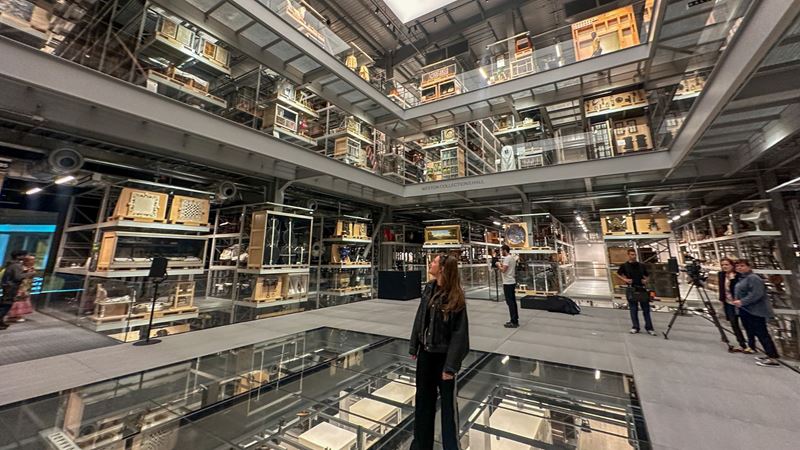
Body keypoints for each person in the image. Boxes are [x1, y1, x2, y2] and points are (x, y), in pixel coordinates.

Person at [409, 253, 469, 450]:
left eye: (434, 261)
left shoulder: (456, 297)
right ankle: (420, 445)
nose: (430, 263)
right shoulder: (428, 289)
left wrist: (450, 366)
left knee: (448, 410)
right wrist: (414, 345)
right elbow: (420, 319)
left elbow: (460, 335)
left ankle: (451, 446)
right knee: (423, 401)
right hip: (426, 354)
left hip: (444, 359)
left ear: (442, 268)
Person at [733, 259, 780, 367]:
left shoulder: (753, 278)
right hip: (748, 310)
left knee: (762, 333)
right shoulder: (743, 278)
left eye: (742, 266)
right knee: (758, 332)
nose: (740, 268)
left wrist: (742, 301)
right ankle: (770, 354)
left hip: (756, 310)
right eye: (738, 266)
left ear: (749, 266)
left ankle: (772, 358)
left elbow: (756, 294)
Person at [617, 249, 654, 335]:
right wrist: (625, 279)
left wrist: (646, 281)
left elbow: (648, 275)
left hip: (642, 289)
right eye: (632, 255)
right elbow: (618, 274)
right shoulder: (624, 266)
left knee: (646, 309)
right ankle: (635, 327)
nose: (634, 256)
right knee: (633, 309)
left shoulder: (641, 266)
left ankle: (649, 327)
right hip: (631, 289)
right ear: (628, 255)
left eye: (634, 255)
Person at [718, 258, 750, 352]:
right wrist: (722, 299)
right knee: (733, 323)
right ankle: (742, 344)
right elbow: (722, 288)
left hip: (740, 303)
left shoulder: (738, 276)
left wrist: (732, 280)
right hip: (728, 303)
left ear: (732, 265)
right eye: (723, 265)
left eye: (727, 264)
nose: (724, 266)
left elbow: (738, 289)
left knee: (746, 323)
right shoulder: (721, 275)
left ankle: (751, 344)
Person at [1, 251, 34, 329]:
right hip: (11, 288)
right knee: (6, 305)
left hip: (8, 287)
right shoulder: (16, 265)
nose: (26, 256)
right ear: (19, 256)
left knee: (5, 305)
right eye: (25, 255)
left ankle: (1, 322)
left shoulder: (11, 264)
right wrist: (30, 274)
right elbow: (18, 277)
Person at [6, 254, 36, 323]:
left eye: (33, 260)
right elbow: (19, 277)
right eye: (31, 260)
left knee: (22, 301)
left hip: (26, 287)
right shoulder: (22, 268)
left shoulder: (31, 268)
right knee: (17, 301)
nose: (33, 261)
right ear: (27, 261)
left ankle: (16, 316)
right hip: (20, 287)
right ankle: (12, 316)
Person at [495, 244, 518, 328]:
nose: (501, 252)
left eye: (502, 251)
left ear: (505, 250)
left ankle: (513, 321)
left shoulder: (507, 259)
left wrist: (498, 265)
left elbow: (503, 270)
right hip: (512, 281)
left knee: (510, 302)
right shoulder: (512, 258)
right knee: (513, 301)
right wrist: (502, 264)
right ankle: (515, 319)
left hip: (507, 283)